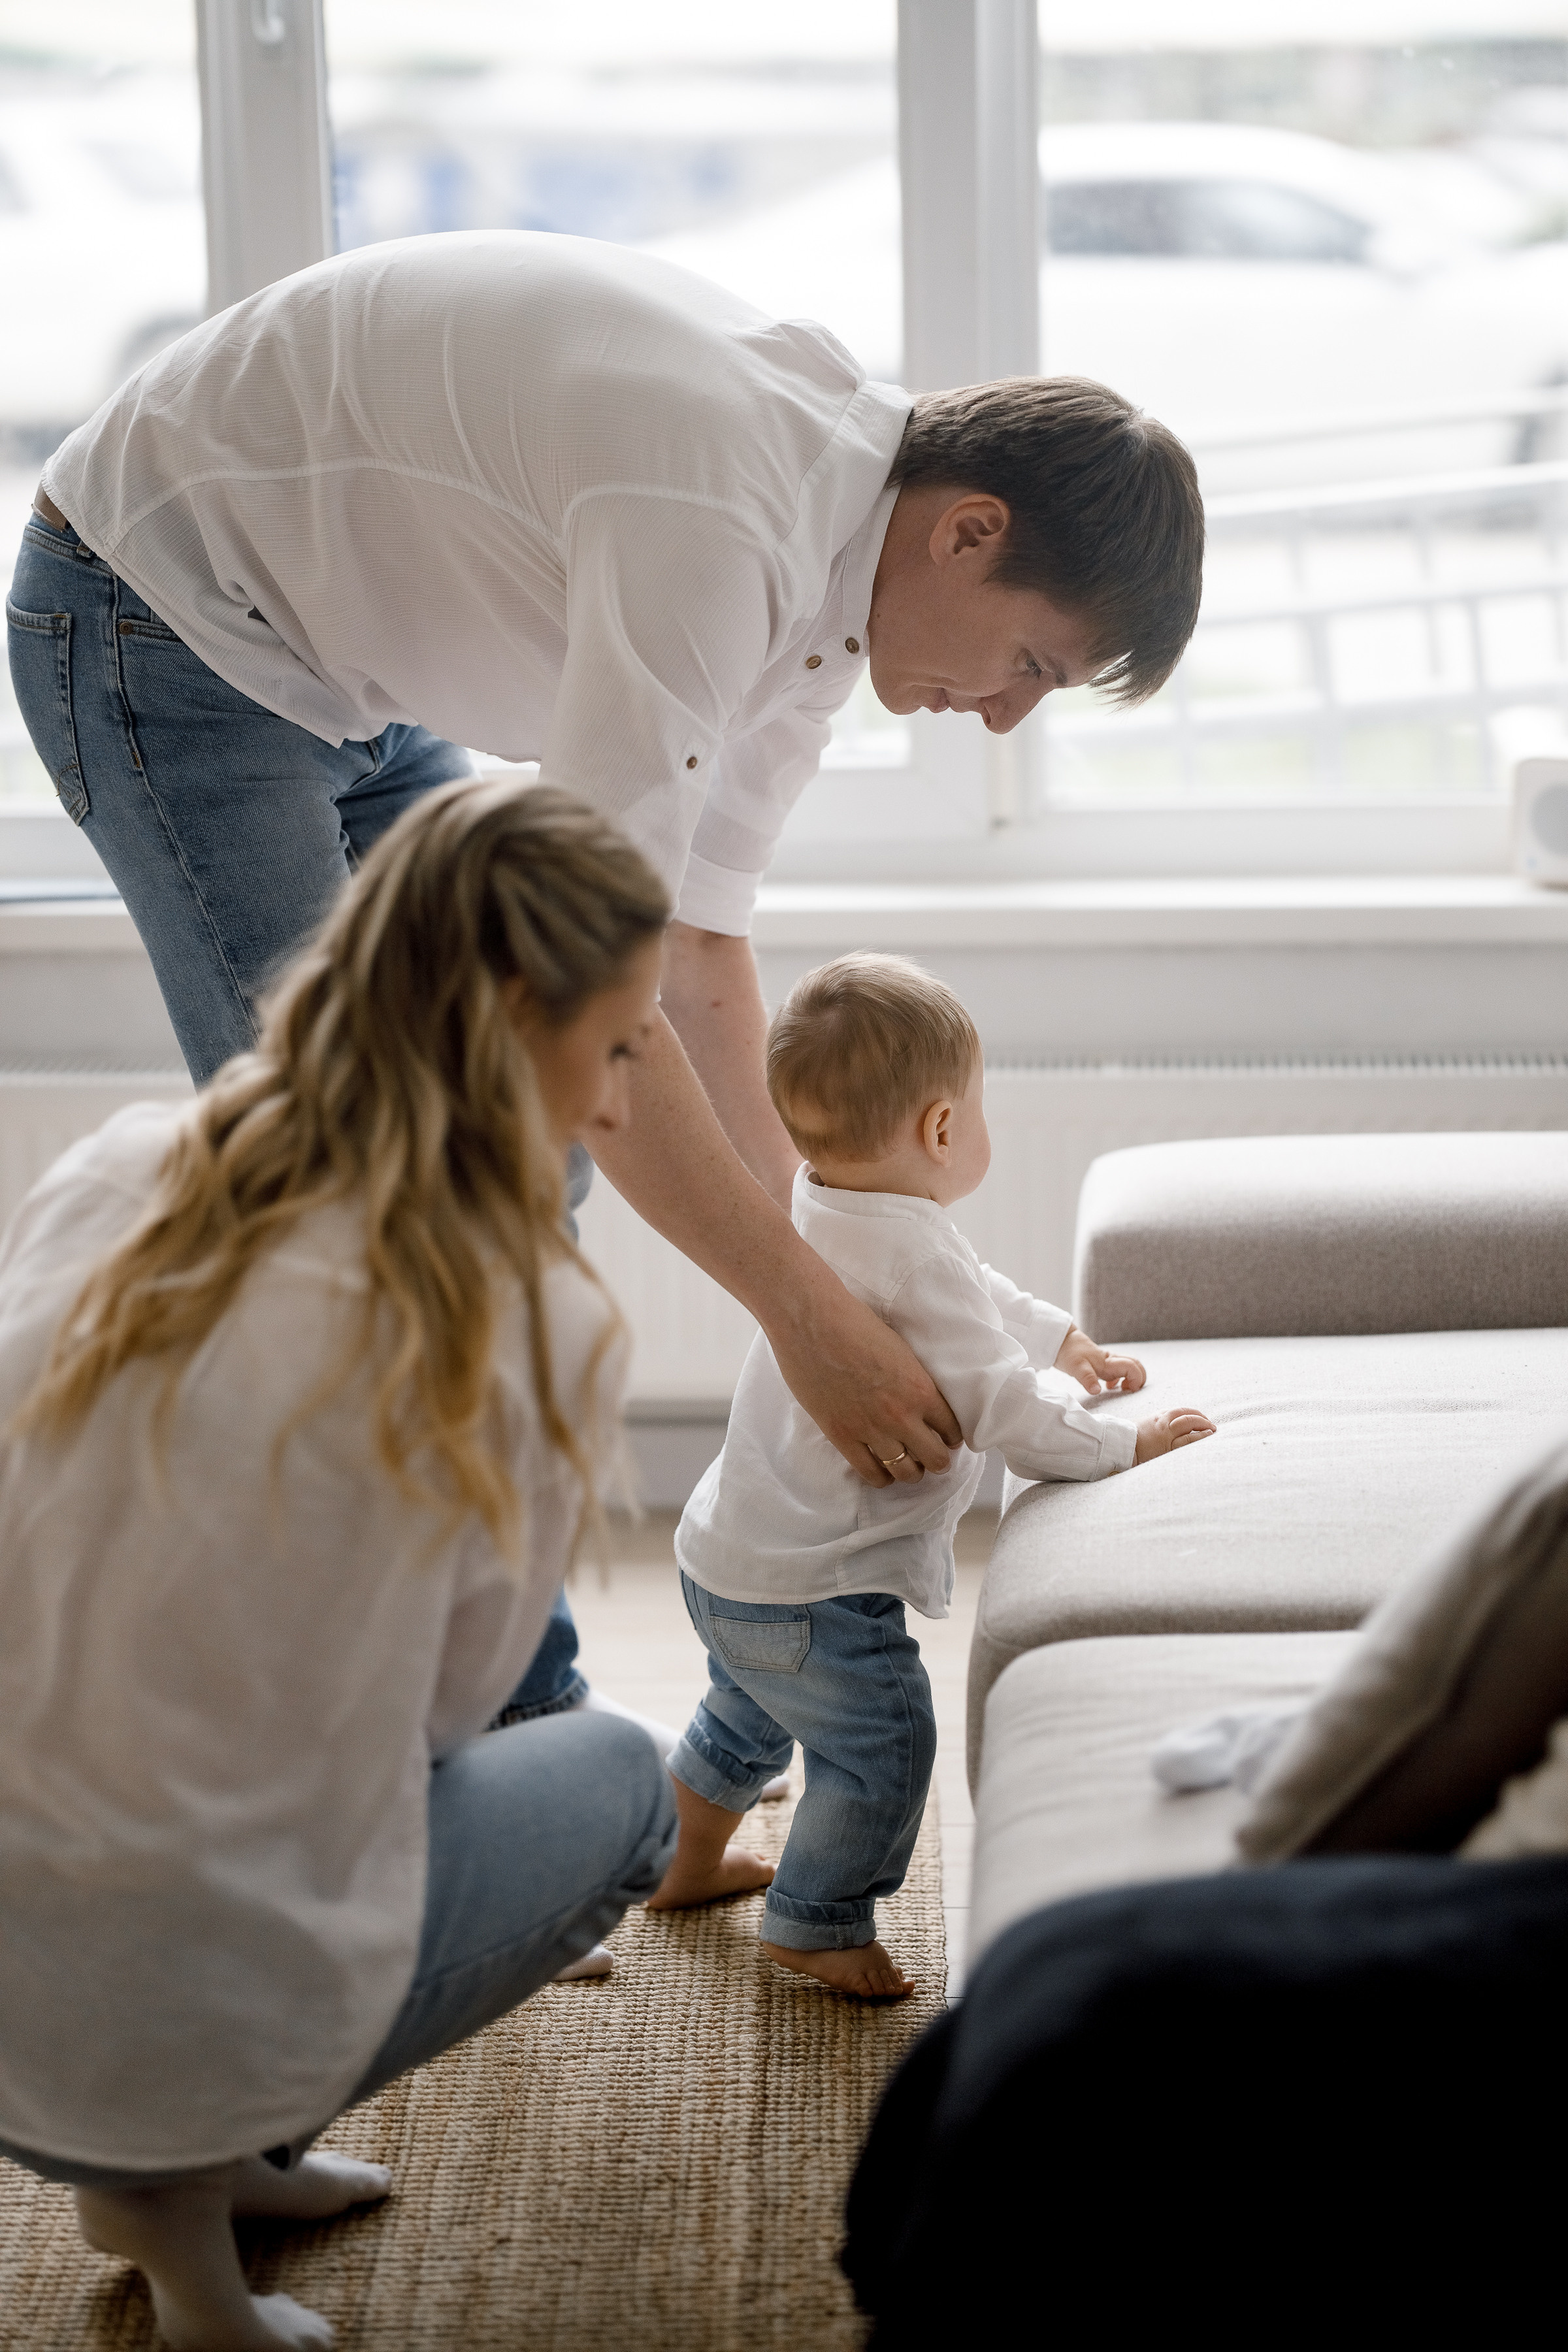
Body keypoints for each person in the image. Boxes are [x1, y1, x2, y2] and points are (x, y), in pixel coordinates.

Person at [7, 232, 1207, 1736]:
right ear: (970, 533)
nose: (1009, 720)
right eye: (1033, 663)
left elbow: (689, 956)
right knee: (361, 1214)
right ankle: (428, 1730)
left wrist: (852, 1263)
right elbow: (595, 1009)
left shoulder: (829, 603)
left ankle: (496, 1705)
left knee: (514, 1164)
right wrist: (807, 1321)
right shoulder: (725, 526)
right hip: (161, 610)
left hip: (344, 662)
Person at [0, 780, 679, 2352]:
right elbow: (443, 1719)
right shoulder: (531, 1317)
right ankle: (180, 2200)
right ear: (512, 1017)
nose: (620, 1103)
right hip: (150, 1987)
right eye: (620, 1046)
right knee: (623, 1785)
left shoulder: (126, 1162)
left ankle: (203, 2150)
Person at [645, 956, 1214, 1995]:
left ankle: (683, 1864)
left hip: (725, 1564)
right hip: (819, 1592)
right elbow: (1006, 1413)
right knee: (885, 1742)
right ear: (945, 1127)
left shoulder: (820, 1203)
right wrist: (1124, 1445)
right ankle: (817, 1919)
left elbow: (973, 1293)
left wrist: (1062, 1338)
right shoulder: (915, 1255)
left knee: (744, 1716)